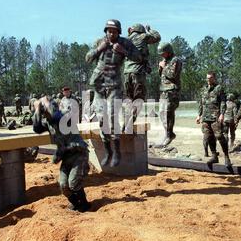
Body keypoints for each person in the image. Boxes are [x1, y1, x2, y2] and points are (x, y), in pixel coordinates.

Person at [85, 19, 141, 168]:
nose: (111, 33)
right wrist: (99, 49)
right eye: (109, 31)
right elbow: (88, 58)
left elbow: (139, 58)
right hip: (99, 84)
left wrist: (124, 52)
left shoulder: (125, 43)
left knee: (112, 116)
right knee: (102, 120)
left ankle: (117, 152)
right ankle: (108, 151)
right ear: (106, 31)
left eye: (114, 31)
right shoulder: (99, 42)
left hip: (114, 85)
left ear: (119, 32)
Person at [32, 96, 91, 212]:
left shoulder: (64, 115)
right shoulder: (48, 122)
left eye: (46, 110)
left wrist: (45, 102)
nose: (45, 114)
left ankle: (85, 205)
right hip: (66, 156)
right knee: (63, 186)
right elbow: (36, 128)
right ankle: (76, 203)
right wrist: (37, 110)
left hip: (79, 153)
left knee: (73, 183)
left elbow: (56, 117)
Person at [123, 24, 161, 126]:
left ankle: (126, 122)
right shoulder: (143, 36)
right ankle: (129, 124)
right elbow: (157, 37)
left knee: (129, 99)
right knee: (138, 99)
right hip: (138, 72)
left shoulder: (126, 40)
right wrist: (149, 30)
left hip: (126, 73)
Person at [196, 71, 232, 167]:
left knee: (219, 136)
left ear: (214, 78)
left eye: (210, 78)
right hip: (205, 117)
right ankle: (214, 155)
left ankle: (226, 157)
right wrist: (199, 115)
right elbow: (200, 103)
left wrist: (222, 114)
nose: (208, 79)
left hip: (215, 116)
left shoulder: (219, 88)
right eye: (207, 78)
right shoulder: (203, 89)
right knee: (208, 137)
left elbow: (223, 102)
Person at [155, 42, 182, 148]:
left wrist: (164, 66)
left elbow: (172, 75)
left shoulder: (176, 60)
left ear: (168, 51)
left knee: (168, 113)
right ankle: (167, 134)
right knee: (162, 113)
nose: (162, 55)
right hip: (163, 91)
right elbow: (161, 75)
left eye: (163, 53)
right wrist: (160, 67)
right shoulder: (165, 61)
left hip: (172, 91)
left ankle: (170, 134)